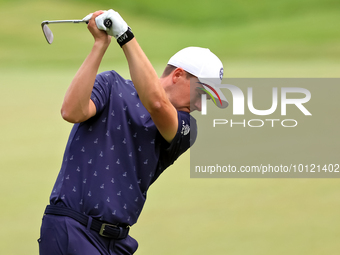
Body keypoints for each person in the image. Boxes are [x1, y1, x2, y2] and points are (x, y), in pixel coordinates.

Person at [38, 9, 225, 255]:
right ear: (178, 75)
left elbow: (157, 104)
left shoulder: (186, 128)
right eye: (201, 95)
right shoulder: (111, 85)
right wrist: (100, 44)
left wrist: (125, 35)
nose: (201, 106)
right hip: (71, 228)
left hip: (117, 243)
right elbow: (71, 111)